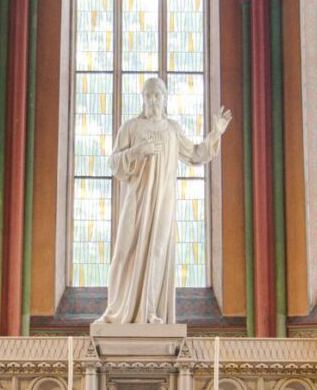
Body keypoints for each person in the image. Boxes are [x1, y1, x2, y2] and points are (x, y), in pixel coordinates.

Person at [94, 77, 232, 324]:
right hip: (137, 201)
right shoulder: (131, 127)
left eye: (157, 95)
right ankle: (115, 311)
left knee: (158, 252)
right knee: (124, 252)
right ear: (143, 99)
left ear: (165, 100)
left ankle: (149, 312)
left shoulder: (172, 130)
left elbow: (196, 154)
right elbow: (114, 163)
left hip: (163, 203)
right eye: (148, 96)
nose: (152, 100)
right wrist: (137, 152)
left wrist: (216, 133)